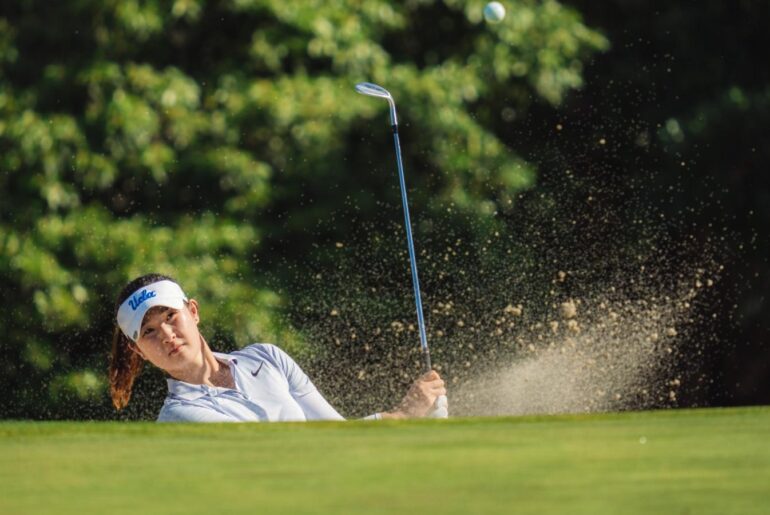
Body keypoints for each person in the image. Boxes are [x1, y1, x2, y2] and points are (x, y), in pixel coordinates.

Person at [109, 273, 448, 422]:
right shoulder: (180, 417)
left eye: (171, 316)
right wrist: (402, 414)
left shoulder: (266, 358)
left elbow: (336, 433)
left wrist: (410, 415)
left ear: (193, 311)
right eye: (149, 331)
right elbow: (303, 453)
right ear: (138, 350)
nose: (166, 334)